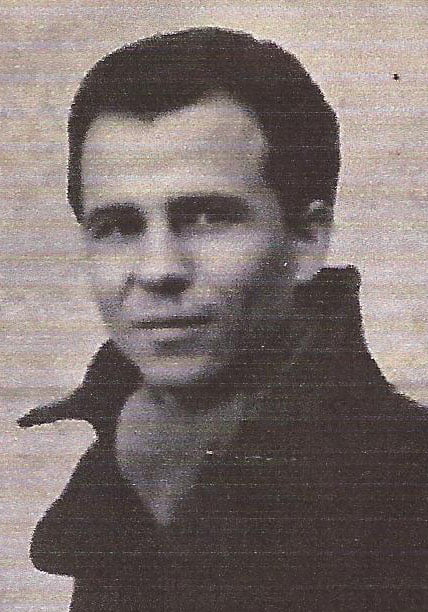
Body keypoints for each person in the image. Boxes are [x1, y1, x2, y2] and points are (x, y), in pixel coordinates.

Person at [18, 27, 427, 611]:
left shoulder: (408, 485)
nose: (159, 269)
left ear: (307, 239)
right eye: (118, 227)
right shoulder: (123, 455)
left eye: (208, 218)